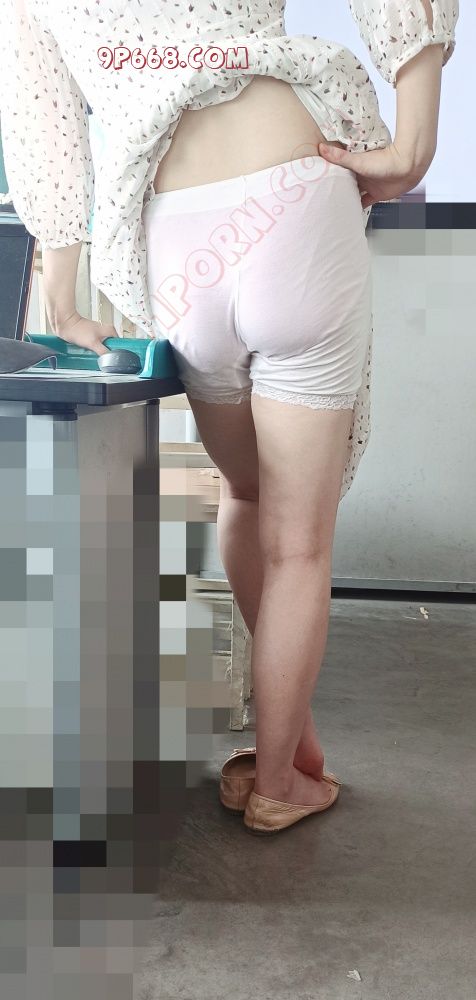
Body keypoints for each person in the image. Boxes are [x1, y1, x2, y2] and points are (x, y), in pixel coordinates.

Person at [0, 1, 458, 835]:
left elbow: (45, 122)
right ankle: (280, 777)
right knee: (300, 541)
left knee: (245, 495)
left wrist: (62, 299)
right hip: (294, 188)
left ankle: (291, 752)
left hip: (176, 231)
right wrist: (416, 140)